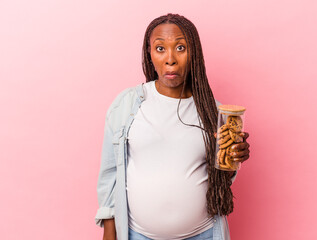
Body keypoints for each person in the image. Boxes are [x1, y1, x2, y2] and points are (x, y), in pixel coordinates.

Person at [95, 13, 250, 240]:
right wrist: (110, 234)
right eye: (160, 49)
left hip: (204, 234)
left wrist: (233, 159)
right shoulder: (126, 105)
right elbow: (109, 176)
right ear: (149, 54)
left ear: (193, 53)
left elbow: (221, 181)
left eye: (180, 48)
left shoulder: (214, 113)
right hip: (138, 235)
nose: (170, 59)